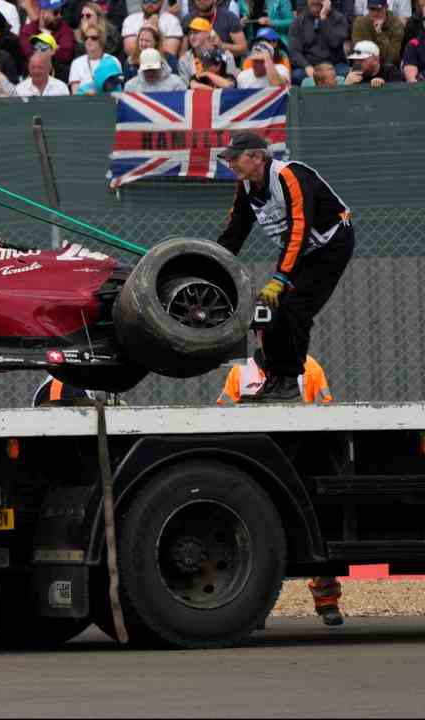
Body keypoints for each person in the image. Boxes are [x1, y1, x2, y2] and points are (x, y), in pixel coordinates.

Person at [215, 132, 354, 403]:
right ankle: (277, 382)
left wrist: (280, 277)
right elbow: (234, 233)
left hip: (331, 244)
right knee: (268, 312)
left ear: (257, 157)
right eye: (228, 159)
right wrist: (212, 264)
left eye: (235, 158)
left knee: (296, 308)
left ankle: (289, 382)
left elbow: (299, 229)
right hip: (303, 250)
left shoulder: (289, 175)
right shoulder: (245, 186)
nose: (231, 164)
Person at [215, 341, 342, 626]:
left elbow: (327, 411)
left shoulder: (309, 368)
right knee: (262, 539)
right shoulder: (241, 371)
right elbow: (222, 412)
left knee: (318, 528)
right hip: (258, 462)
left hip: (299, 460)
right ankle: (255, 610)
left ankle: (327, 602)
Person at [288, 0, 351, 84]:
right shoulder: (298, 22)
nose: (316, 1)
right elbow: (295, 51)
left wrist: (323, 17)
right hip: (310, 65)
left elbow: (334, 42)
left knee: (345, 72)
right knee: (296, 76)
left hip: (334, 64)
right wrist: (306, 66)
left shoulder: (339, 18)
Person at [19, 0, 76, 75]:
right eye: (55, 12)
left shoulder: (65, 30)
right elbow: (29, 54)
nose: (59, 16)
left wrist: (37, 44)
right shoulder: (27, 31)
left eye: (61, 12)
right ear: (43, 13)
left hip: (58, 75)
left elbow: (65, 55)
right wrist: (54, 48)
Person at [180, 16, 240, 82]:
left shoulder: (226, 55)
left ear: (208, 33)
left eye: (196, 32)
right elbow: (186, 89)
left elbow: (232, 83)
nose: (192, 37)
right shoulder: (184, 60)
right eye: (190, 33)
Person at [183, 0, 249, 56]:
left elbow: (243, 48)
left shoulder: (229, 18)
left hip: (224, 66)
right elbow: (183, 54)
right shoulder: (188, 19)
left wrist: (222, 45)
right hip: (195, 66)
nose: (201, 1)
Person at [351, 0, 405, 65]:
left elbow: (392, 58)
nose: (374, 13)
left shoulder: (396, 26)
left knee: (389, 66)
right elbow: (358, 52)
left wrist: (379, 33)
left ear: (386, 8)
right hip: (364, 64)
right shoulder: (360, 23)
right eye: (372, 9)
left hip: (385, 65)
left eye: (378, 10)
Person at [69, 23, 114, 91]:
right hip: (83, 101)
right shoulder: (76, 63)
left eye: (94, 38)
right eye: (86, 38)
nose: (88, 40)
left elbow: (116, 92)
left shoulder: (113, 61)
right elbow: (75, 95)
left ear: (102, 39)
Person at [124, 47, 190, 89]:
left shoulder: (176, 83)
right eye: (147, 70)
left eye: (153, 70)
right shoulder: (131, 86)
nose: (150, 73)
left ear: (161, 66)